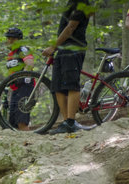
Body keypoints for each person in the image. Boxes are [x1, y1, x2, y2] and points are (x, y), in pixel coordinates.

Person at [41, 0, 93, 134]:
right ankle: (66, 123)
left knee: (71, 85)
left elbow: (71, 27)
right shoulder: (70, 3)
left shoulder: (81, 4)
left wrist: (53, 46)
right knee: (57, 87)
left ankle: (71, 121)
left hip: (74, 49)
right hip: (62, 50)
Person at [4, 26, 35, 131]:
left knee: (22, 120)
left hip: (25, 87)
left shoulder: (22, 49)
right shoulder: (11, 54)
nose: (10, 40)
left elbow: (30, 63)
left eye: (13, 38)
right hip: (16, 89)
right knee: (13, 122)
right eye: (8, 38)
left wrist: (23, 77)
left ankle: (29, 142)